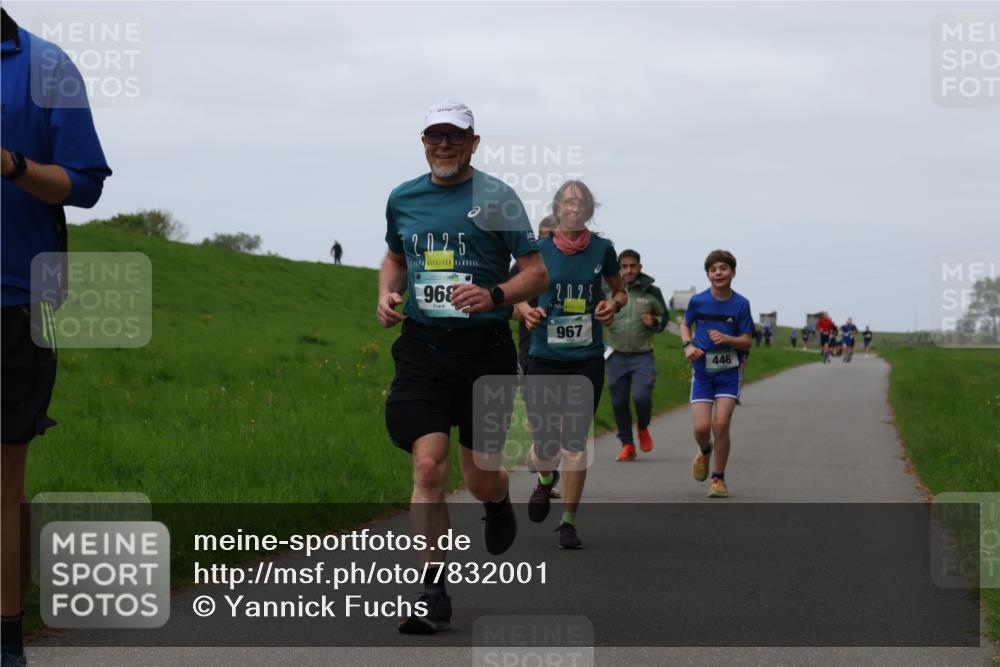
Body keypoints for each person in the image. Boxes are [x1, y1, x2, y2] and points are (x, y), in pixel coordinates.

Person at [378, 100, 547, 634]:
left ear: (474, 143)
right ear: (423, 142)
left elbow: (537, 273)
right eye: (435, 135)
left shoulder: (498, 198)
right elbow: (397, 259)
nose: (444, 145)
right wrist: (386, 294)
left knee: (480, 477)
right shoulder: (403, 198)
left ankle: (498, 505)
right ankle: (432, 591)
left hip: (485, 352)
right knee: (428, 467)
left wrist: (496, 292)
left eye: (456, 136)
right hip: (424, 347)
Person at [2, 9, 112, 666]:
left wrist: (12, 164)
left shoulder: (46, 66)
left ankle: (9, 636)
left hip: (13, 297)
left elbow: (85, 183)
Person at [517, 180, 626, 549]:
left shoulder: (603, 249)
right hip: (545, 357)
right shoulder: (538, 250)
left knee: (575, 440)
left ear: (590, 209)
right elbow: (513, 293)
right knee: (546, 444)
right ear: (558, 207)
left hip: (586, 359)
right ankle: (546, 480)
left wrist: (613, 304)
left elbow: (619, 289)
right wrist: (525, 310)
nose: (575, 207)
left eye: (581, 202)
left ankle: (567, 521)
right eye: (568, 201)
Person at [680, 250, 753, 499]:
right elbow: (684, 324)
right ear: (708, 274)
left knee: (720, 424)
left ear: (733, 272)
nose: (718, 273)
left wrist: (728, 338)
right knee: (702, 428)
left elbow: (747, 341)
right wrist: (688, 345)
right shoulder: (698, 301)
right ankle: (704, 450)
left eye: (723, 268)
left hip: (729, 373)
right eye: (713, 269)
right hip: (702, 372)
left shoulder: (741, 304)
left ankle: (718, 479)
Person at [604, 249, 668, 461]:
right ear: (619, 268)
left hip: (642, 355)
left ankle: (642, 427)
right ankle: (627, 444)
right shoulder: (607, 289)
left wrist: (655, 322)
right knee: (619, 402)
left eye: (633, 266)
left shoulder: (651, 291)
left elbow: (664, 318)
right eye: (624, 266)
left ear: (640, 267)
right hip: (615, 354)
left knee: (641, 397)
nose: (629, 270)